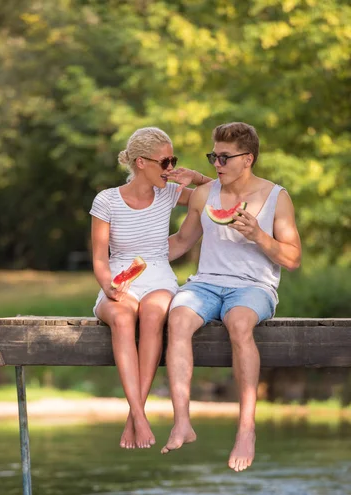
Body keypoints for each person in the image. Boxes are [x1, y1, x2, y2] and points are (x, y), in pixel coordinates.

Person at [161, 122, 302, 471]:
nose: (217, 164)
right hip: (205, 284)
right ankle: (182, 420)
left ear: (248, 159)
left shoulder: (275, 197)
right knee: (177, 317)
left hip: (254, 286)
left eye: (224, 157)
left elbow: (293, 258)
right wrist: (125, 255)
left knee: (239, 322)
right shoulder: (204, 194)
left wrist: (258, 235)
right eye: (213, 156)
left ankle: (246, 429)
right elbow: (180, 242)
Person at [90, 127, 212, 450]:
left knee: (155, 314)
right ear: (141, 162)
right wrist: (109, 287)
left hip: (158, 275)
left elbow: (220, 192)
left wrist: (196, 177)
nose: (171, 168)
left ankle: (135, 415)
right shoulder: (106, 201)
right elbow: (100, 260)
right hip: (119, 277)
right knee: (122, 319)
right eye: (165, 161)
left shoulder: (169, 194)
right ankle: (139, 415)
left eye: (173, 160)